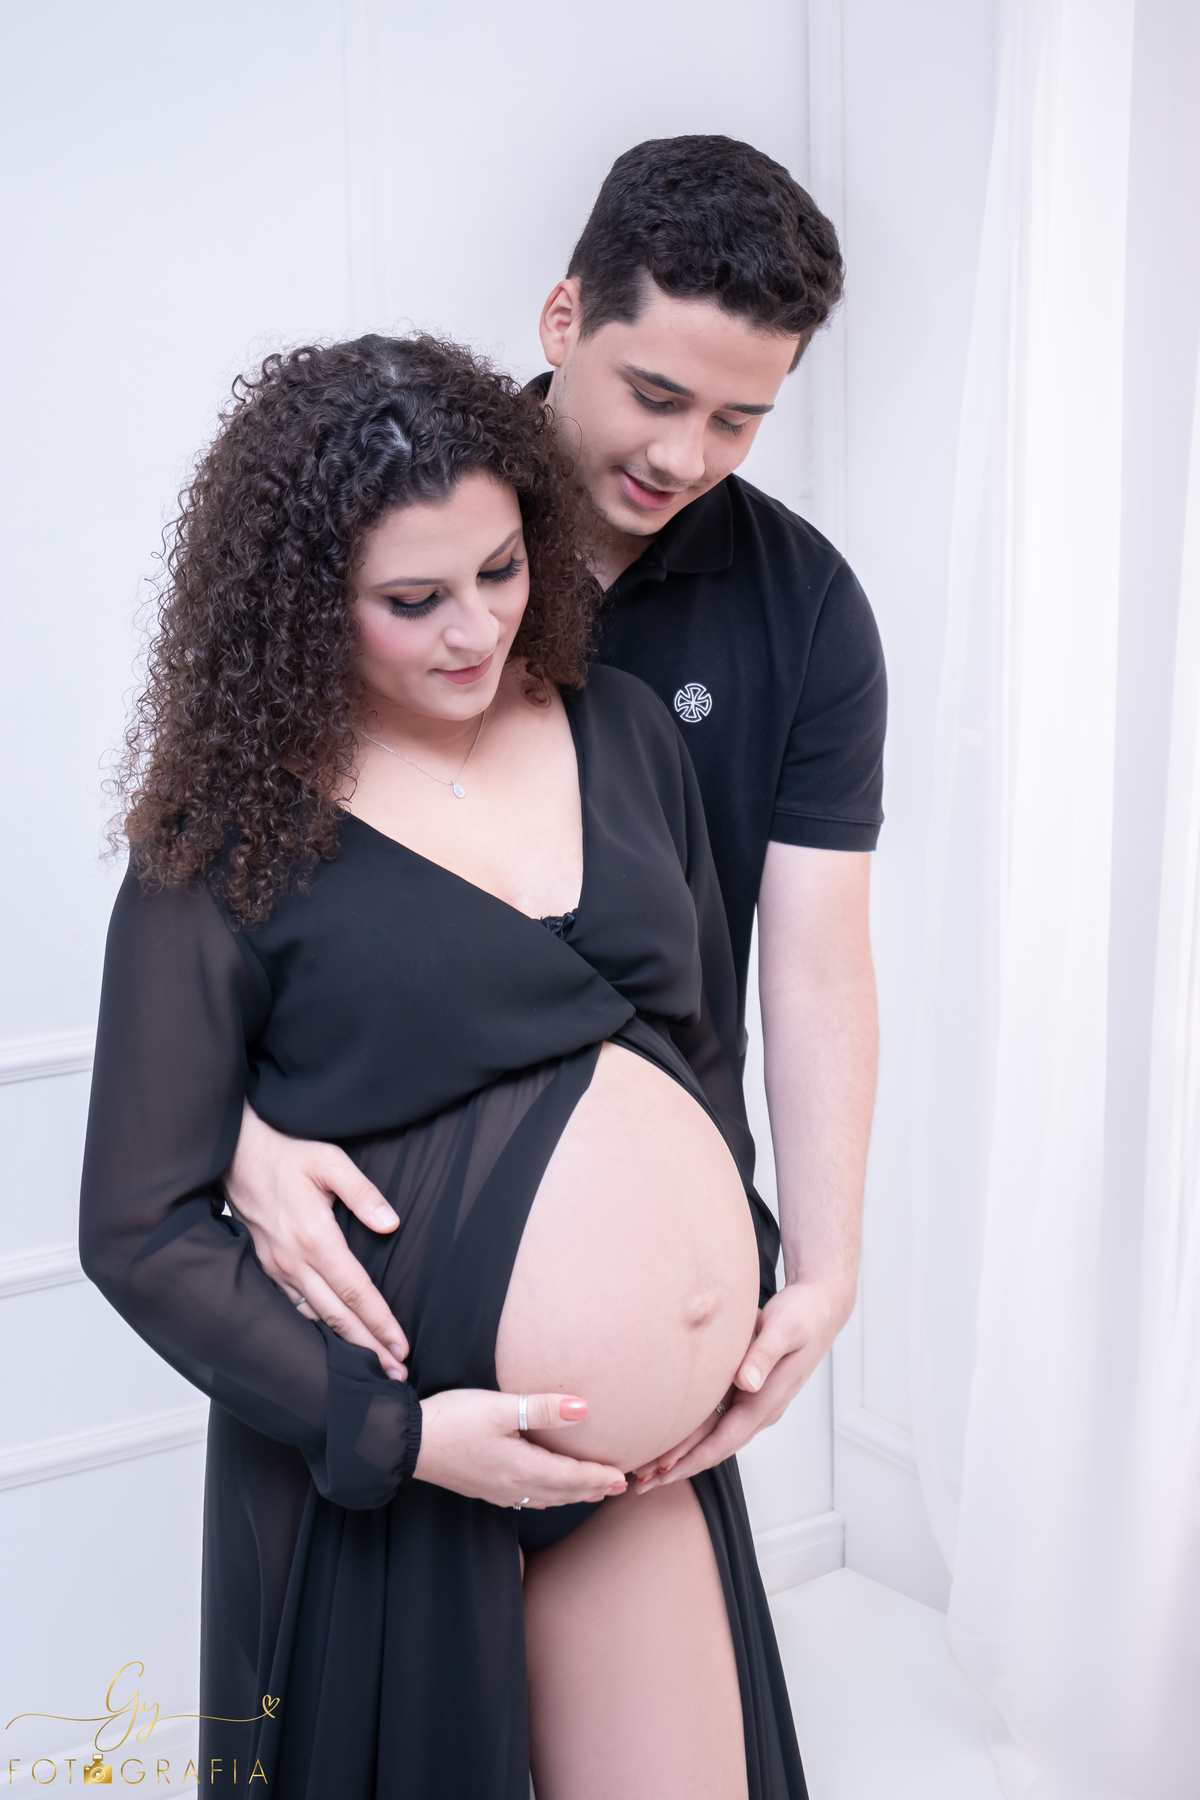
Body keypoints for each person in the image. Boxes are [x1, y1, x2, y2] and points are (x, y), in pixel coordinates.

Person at [80, 334, 806, 1798]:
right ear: (301, 610)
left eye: (501, 569)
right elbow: (138, 1227)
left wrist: (740, 1278)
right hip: (408, 1461)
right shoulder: (222, 850)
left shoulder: (618, 731)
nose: (476, 628)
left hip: (630, 1464)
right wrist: (400, 1435)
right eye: (413, 601)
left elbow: (696, 1048)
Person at [225, 135, 885, 1498]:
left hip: (660, 1304)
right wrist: (228, 1129)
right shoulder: (384, 510)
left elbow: (817, 959)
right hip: (389, 1299)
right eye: (656, 392)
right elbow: (214, 846)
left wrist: (827, 1264)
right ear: (564, 316)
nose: (681, 452)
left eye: (738, 419)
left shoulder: (808, 608)